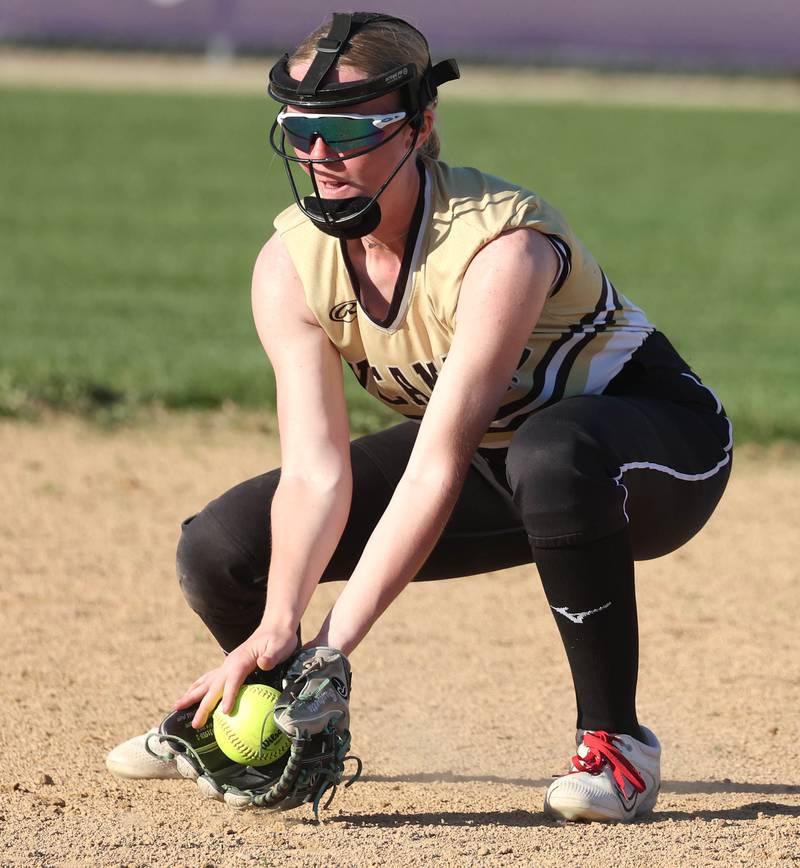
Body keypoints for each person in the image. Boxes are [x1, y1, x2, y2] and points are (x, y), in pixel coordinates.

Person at [106, 12, 732, 822]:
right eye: (299, 130)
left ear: (420, 123)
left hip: (650, 451)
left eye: (346, 127)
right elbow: (315, 471)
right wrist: (285, 622)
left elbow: (440, 456)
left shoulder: (499, 246)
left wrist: (336, 643)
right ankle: (266, 716)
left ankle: (617, 747)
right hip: (504, 460)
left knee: (550, 454)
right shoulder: (291, 264)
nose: (319, 154)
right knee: (221, 549)